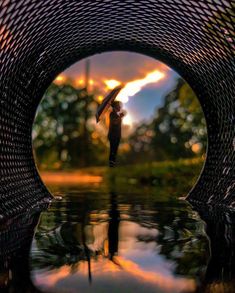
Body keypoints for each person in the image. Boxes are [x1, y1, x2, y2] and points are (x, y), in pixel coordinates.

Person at [108, 101, 125, 167]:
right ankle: (111, 165)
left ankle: (113, 164)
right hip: (113, 135)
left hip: (117, 135)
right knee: (113, 150)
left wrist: (120, 116)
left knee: (115, 150)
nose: (120, 107)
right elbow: (114, 122)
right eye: (118, 105)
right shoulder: (112, 114)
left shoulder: (116, 115)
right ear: (115, 106)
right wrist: (120, 117)